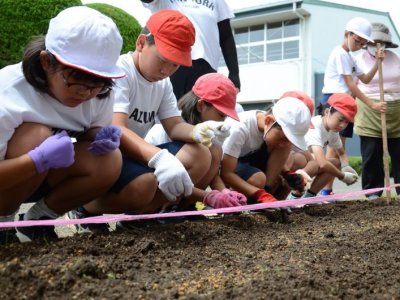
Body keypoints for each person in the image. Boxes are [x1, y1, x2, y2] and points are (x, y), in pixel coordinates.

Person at [68, 10, 238, 232]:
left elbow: (175, 125)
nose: (167, 70)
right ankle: (85, 209)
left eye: (175, 65)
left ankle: (140, 215)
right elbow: (117, 127)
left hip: (132, 155)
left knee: (201, 153)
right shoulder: (120, 71)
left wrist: (199, 131)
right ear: (141, 43)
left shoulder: (163, 83)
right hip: (107, 155)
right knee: (143, 185)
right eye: (163, 60)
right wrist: (159, 158)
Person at [0, 6, 125, 243]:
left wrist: (101, 136)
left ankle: (37, 221)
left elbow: (91, 130)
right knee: (36, 134)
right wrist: (38, 159)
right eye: (77, 83)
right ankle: (3, 223)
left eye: (97, 84)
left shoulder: (100, 94)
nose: (87, 94)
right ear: (47, 62)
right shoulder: (8, 93)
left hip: (45, 176)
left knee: (110, 159)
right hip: (10, 180)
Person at [145, 72, 246, 207]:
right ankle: (157, 209)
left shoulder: (208, 135)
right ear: (200, 106)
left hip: (181, 194)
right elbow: (173, 179)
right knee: (202, 152)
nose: (223, 121)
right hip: (151, 190)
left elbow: (213, 175)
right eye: (221, 114)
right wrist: (208, 197)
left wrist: (225, 192)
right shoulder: (166, 129)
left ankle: (183, 208)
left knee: (216, 150)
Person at [320, 17, 386, 195]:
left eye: (363, 43)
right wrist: (372, 104)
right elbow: (351, 84)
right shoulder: (340, 53)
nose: (359, 45)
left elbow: (365, 79)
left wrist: (378, 63)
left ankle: (327, 191)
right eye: (357, 41)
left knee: (338, 147)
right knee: (333, 148)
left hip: (345, 104)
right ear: (346, 34)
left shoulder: (350, 56)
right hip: (335, 101)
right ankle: (325, 192)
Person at [141, 0, 241, 99]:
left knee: (199, 112)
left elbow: (226, 37)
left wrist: (234, 73)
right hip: (169, 62)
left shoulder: (217, 1)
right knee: (165, 110)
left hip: (206, 67)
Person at [220, 97, 311, 203]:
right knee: (258, 179)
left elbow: (309, 160)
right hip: (226, 167)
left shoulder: (271, 126)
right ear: (268, 120)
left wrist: (287, 174)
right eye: (282, 138)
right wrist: (259, 193)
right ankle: (245, 204)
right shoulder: (239, 128)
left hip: (248, 162)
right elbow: (226, 173)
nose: (282, 144)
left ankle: (271, 202)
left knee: (285, 167)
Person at [354, 22, 400, 199]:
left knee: (398, 153)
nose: (378, 46)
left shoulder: (396, 58)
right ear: (367, 43)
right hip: (369, 108)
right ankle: (373, 192)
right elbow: (354, 86)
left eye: (382, 42)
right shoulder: (358, 60)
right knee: (372, 153)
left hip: (395, 108)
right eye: (374, 42)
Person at [288, 93, 360, 201]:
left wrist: (345, 166)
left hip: (305, 164)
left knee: (336, 163)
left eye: (346, 122)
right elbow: (322, 163)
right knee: (315, 161)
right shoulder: (314, 128)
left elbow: (341, 153)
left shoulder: (333, 131)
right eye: (340, 119)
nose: (343, 125)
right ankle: (293, 198)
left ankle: (308, 199)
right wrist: (343, 176)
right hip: (291, 164)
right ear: (327, 112)